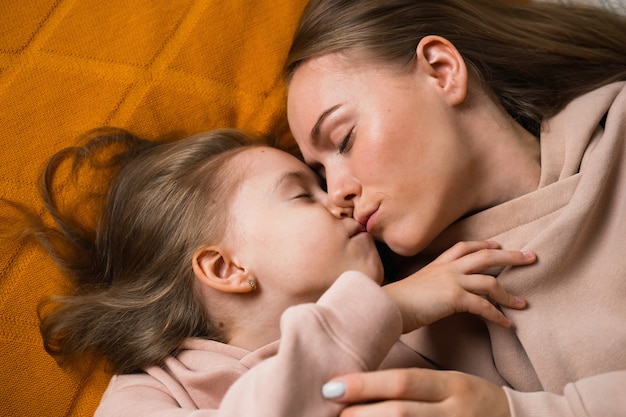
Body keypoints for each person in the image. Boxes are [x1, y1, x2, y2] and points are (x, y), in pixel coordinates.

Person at [29, 127, 534, 416]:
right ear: (226, 268)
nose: (337, 196)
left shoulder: (425, 322)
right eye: (301, 193)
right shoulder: (151, 393)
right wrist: (386, 310)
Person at [284, 0, 626, 416]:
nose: (336, 194)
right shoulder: (407, 320)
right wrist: (378, 313)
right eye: (319, 175)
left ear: (442, 71)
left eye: (344, 140)